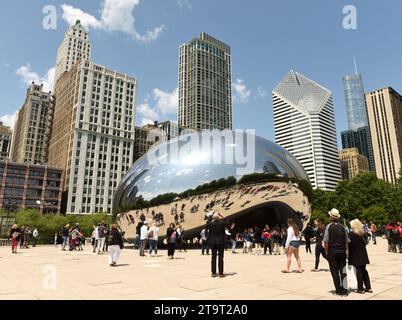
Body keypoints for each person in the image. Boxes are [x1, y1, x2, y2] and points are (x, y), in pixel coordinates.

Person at [323, 208, 350, 296]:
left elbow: (325, 241)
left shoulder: (329, 226)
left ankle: (338, 290)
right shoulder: (343, 227)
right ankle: (345, 290)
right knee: (343, 271)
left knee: (334, 272)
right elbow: (346, 241)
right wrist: (346, 251)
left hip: (332, 252)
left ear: (331, 217)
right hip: (342, 251)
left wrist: (326, 251)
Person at [349, 219, 373, 294]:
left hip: (355, 254)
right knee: (364, 271)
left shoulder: (351, 234)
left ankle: (360, 288)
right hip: (363, 254)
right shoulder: (363, 234)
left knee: (358, 271)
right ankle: (368, 287)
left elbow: (349, 245)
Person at [206, 211, 229, 277]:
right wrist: (223, 215)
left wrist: (212, 215)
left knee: (213, 258)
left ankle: (213, 273)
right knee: (221, 258)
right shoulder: (222, 223)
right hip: (221, 242)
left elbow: (207, 221)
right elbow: (228, 222)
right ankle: (221, 273)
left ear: (213, 218)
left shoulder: (210, 224)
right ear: (219, 218)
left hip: (213, 243)